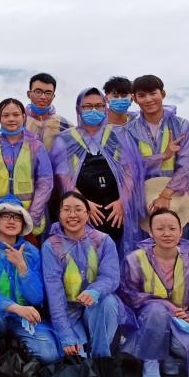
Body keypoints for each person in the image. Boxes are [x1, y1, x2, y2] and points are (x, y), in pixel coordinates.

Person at [119, 209, 189, 377]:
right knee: (156, 310)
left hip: (179, 323)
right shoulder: (135, 260)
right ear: (150, 232)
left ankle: (167, 354)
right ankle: (151, 361)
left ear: (181, 231)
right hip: (144, 322)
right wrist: (163, 304)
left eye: (172, 228)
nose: (167, 233)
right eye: (160, 229)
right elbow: (127, 295)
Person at [50, 88, 146, 256]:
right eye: (87, 106)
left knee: (118, 253)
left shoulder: (119, 134)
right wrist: (83, 205)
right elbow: (62, 177)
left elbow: (130, 170)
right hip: (82, 210)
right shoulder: (65, 139)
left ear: (105, 108)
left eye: (98, 106)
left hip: (117, 208)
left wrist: (123, 201)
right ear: (78, 109)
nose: (93, 110)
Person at [0, 203, 60, 376]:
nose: (11, 221)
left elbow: (36, 298)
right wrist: (15, 308)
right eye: (6, 216)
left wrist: (22, 267)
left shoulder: (32, 252)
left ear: (23, 224)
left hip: (24, 318)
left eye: (17, 217)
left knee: (49, 355)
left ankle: (17, 346)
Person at [41, 191, 126, 359]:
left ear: (87, 214)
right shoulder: (51, 246)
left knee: (108, 302)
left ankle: (101, 360)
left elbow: (111, 277)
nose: (72, 215)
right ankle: (89, 355)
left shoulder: (103, 240)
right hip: (69, 313)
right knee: (77, 356)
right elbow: (54, 294)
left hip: (96, 305)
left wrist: (94, 291)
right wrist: (65, 334)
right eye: (67, 210)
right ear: (59, 215)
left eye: (78, 209)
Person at [124, 75, 189, 228]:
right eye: (142, 95)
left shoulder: (183, 126)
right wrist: (162, 156)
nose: (148, 99)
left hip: (174, 201)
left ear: (162, 94)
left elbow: (188, 167)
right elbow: (127, 166)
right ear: (135, 99)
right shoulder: (128, 131)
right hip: (141, 203)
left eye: (153, 93)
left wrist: (165, 195)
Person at [0, 98, 54, 244]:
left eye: (16, 115)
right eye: (6, 115)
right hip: (0, 219)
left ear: (23, 117)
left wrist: (31, 217)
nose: (11, 119)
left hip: (30, 221)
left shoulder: (36, 146)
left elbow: (45, 183)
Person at [24, 73, 71, 152]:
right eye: (38, 92)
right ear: (29, 94)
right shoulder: (19, 122)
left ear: (53, 96)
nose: (43, 97)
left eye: (48, 93)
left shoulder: (64, 124)